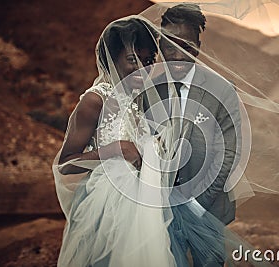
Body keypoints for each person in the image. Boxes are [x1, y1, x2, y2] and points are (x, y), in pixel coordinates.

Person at [52, 17, 177, 267]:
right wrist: (114, 150)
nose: (142, 68)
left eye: (149, 60)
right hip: (104, 208)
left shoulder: (137, 99)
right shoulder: (94, 101)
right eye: (133, 60)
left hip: (141, 206)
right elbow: (65, 164)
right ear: (112, 57)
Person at [142, 4, 243, 266]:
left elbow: (229, 152)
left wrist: (197, 204)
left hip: (209, 209)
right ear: (160, 45)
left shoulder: (222, 90)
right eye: (169, 45)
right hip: (160, 213)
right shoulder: (149, 91)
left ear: (198, 44)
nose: (177, 54)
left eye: (186, 45)